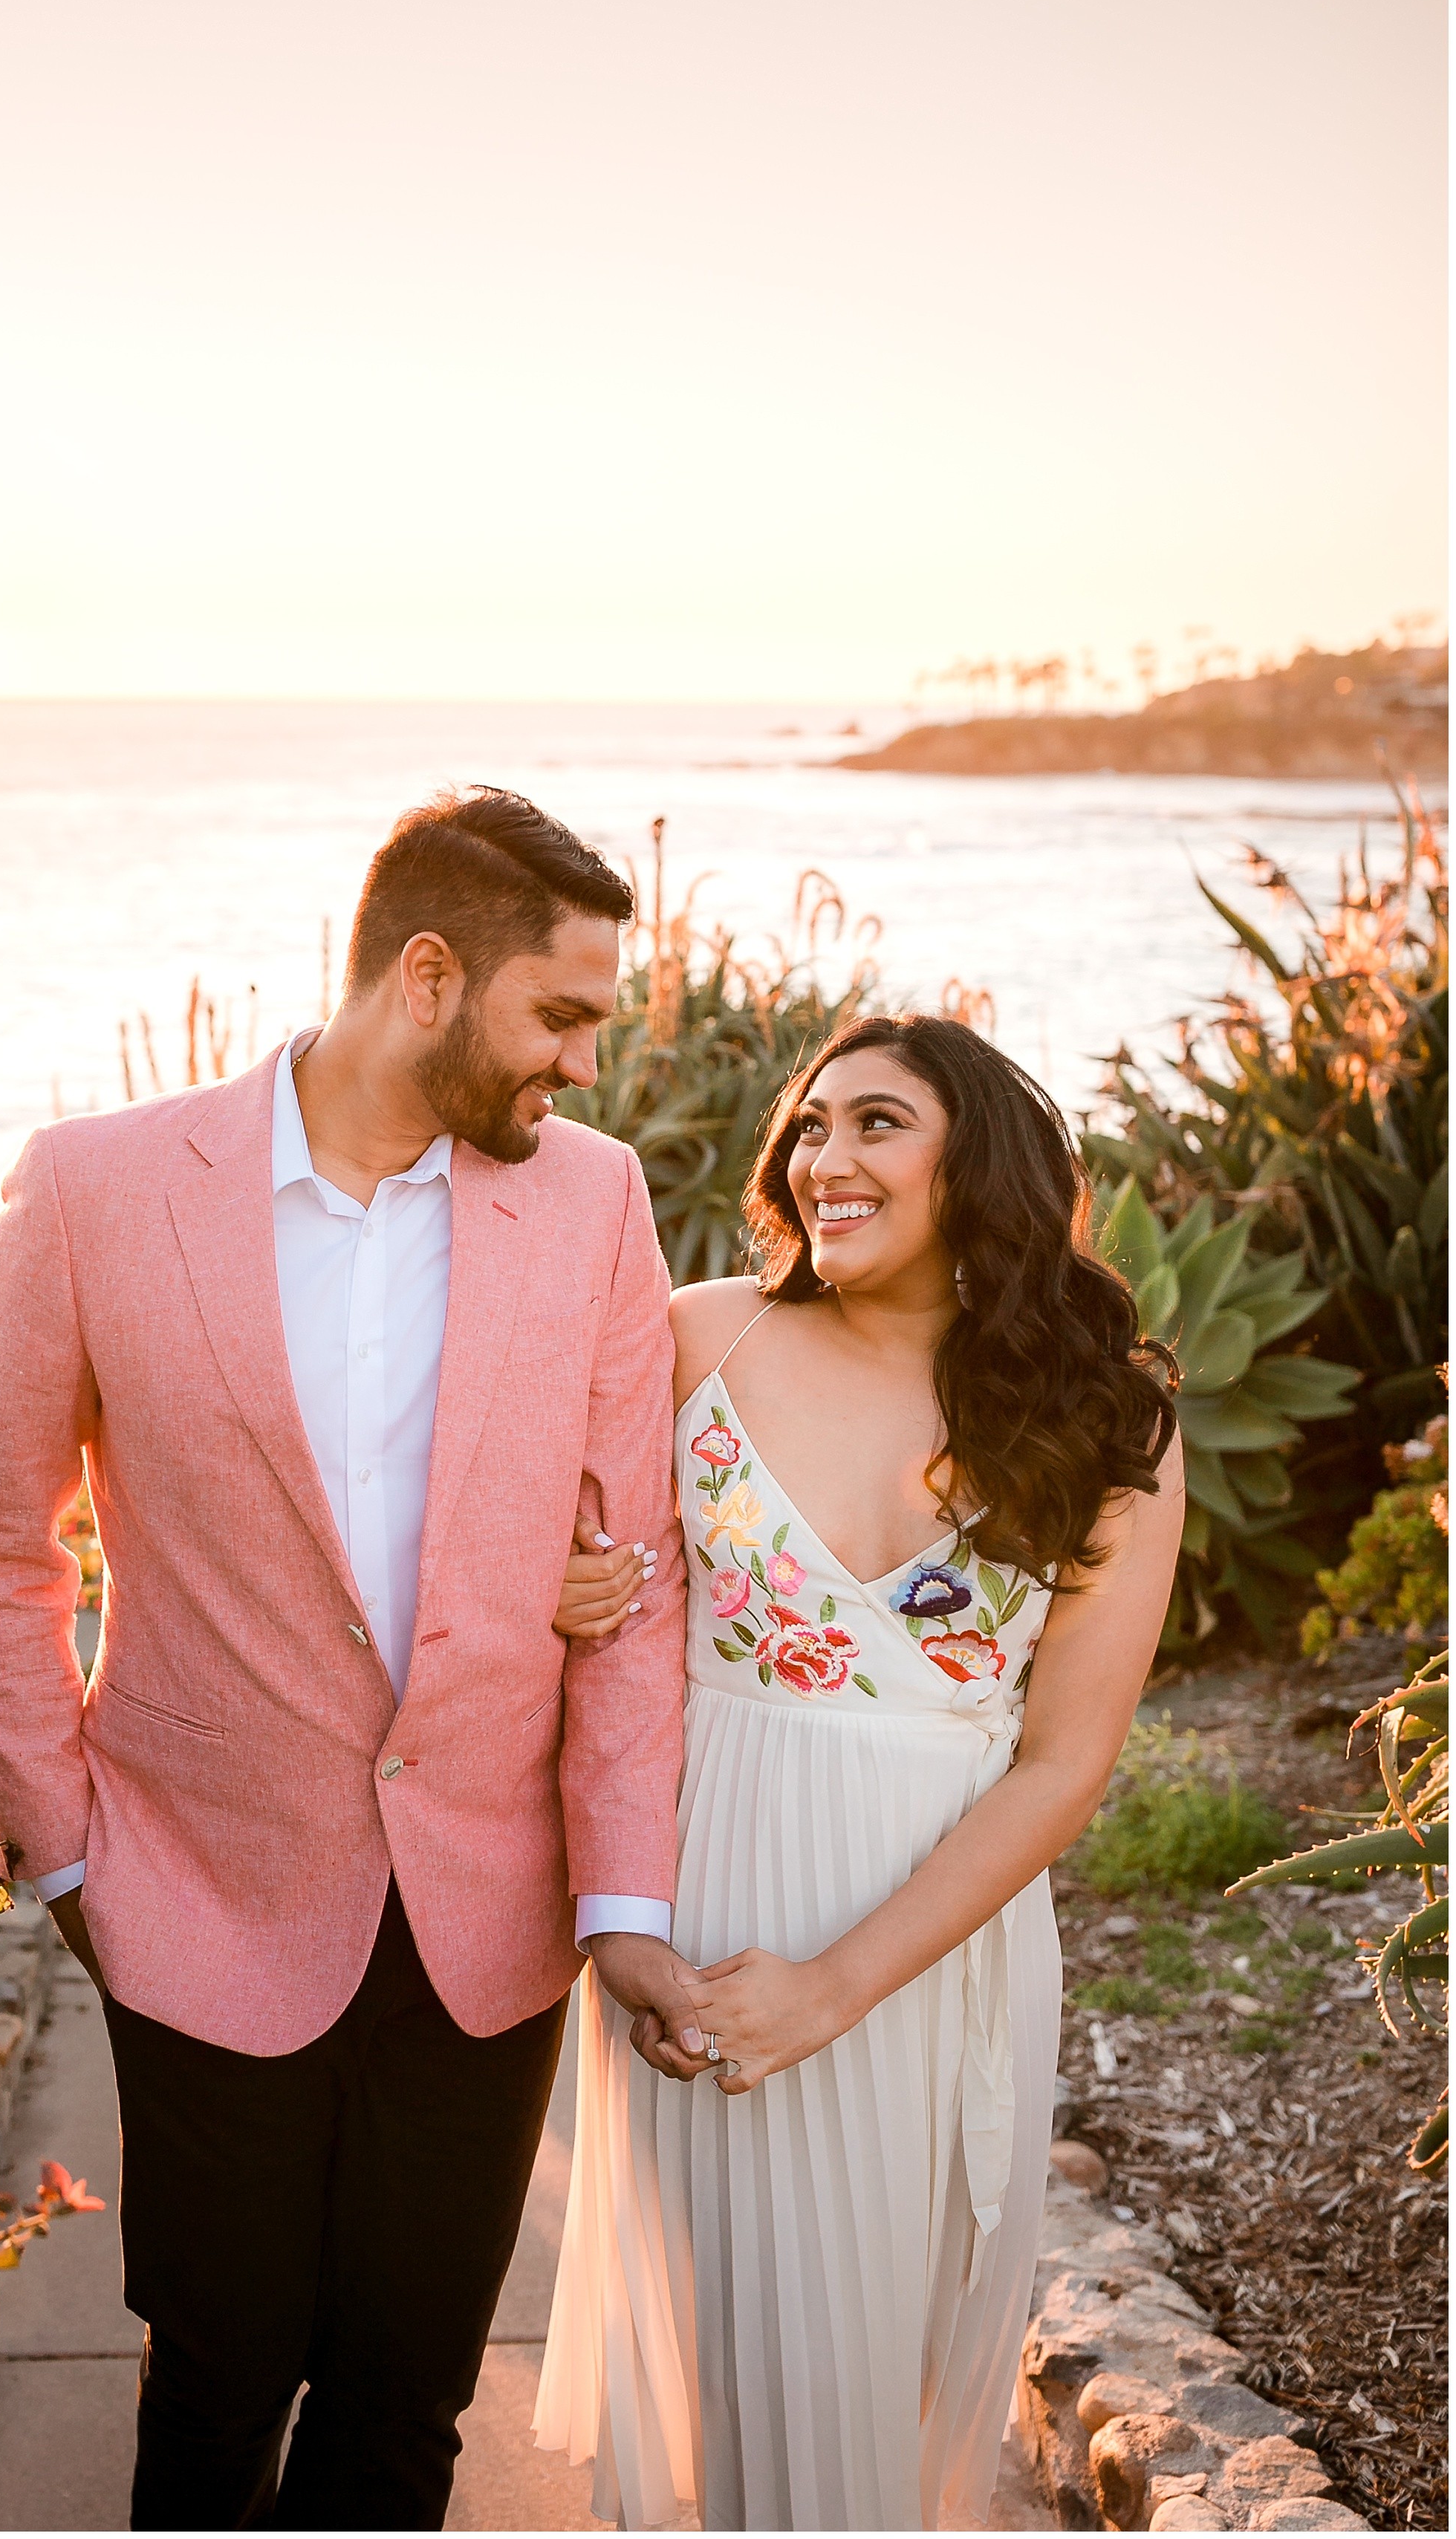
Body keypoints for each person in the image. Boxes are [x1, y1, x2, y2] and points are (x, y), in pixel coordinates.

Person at [0, 787, 708, 2532]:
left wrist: (627, 1895)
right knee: (216, 2370)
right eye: (561, 1012)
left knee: (407, 2395)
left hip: (490, 1910)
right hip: (193, 1878)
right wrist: (61, 1840)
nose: (582, 1063)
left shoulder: (593, 1202)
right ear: (427, 973)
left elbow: (635, 1569)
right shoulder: (97, 1184)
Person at [535, 1012, 1184, 2533]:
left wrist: (835, 1982)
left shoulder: (1105, 1423)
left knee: (879, 2371)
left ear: (978, 1165)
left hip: (926, 1944)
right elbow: (554, 1569)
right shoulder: (702, 1336)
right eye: (808, 1126)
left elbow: (1061, 1764)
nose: (823, 1156)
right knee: (732, 2358)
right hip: (702, 1904)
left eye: (874, 1123)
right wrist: (560, 1586)